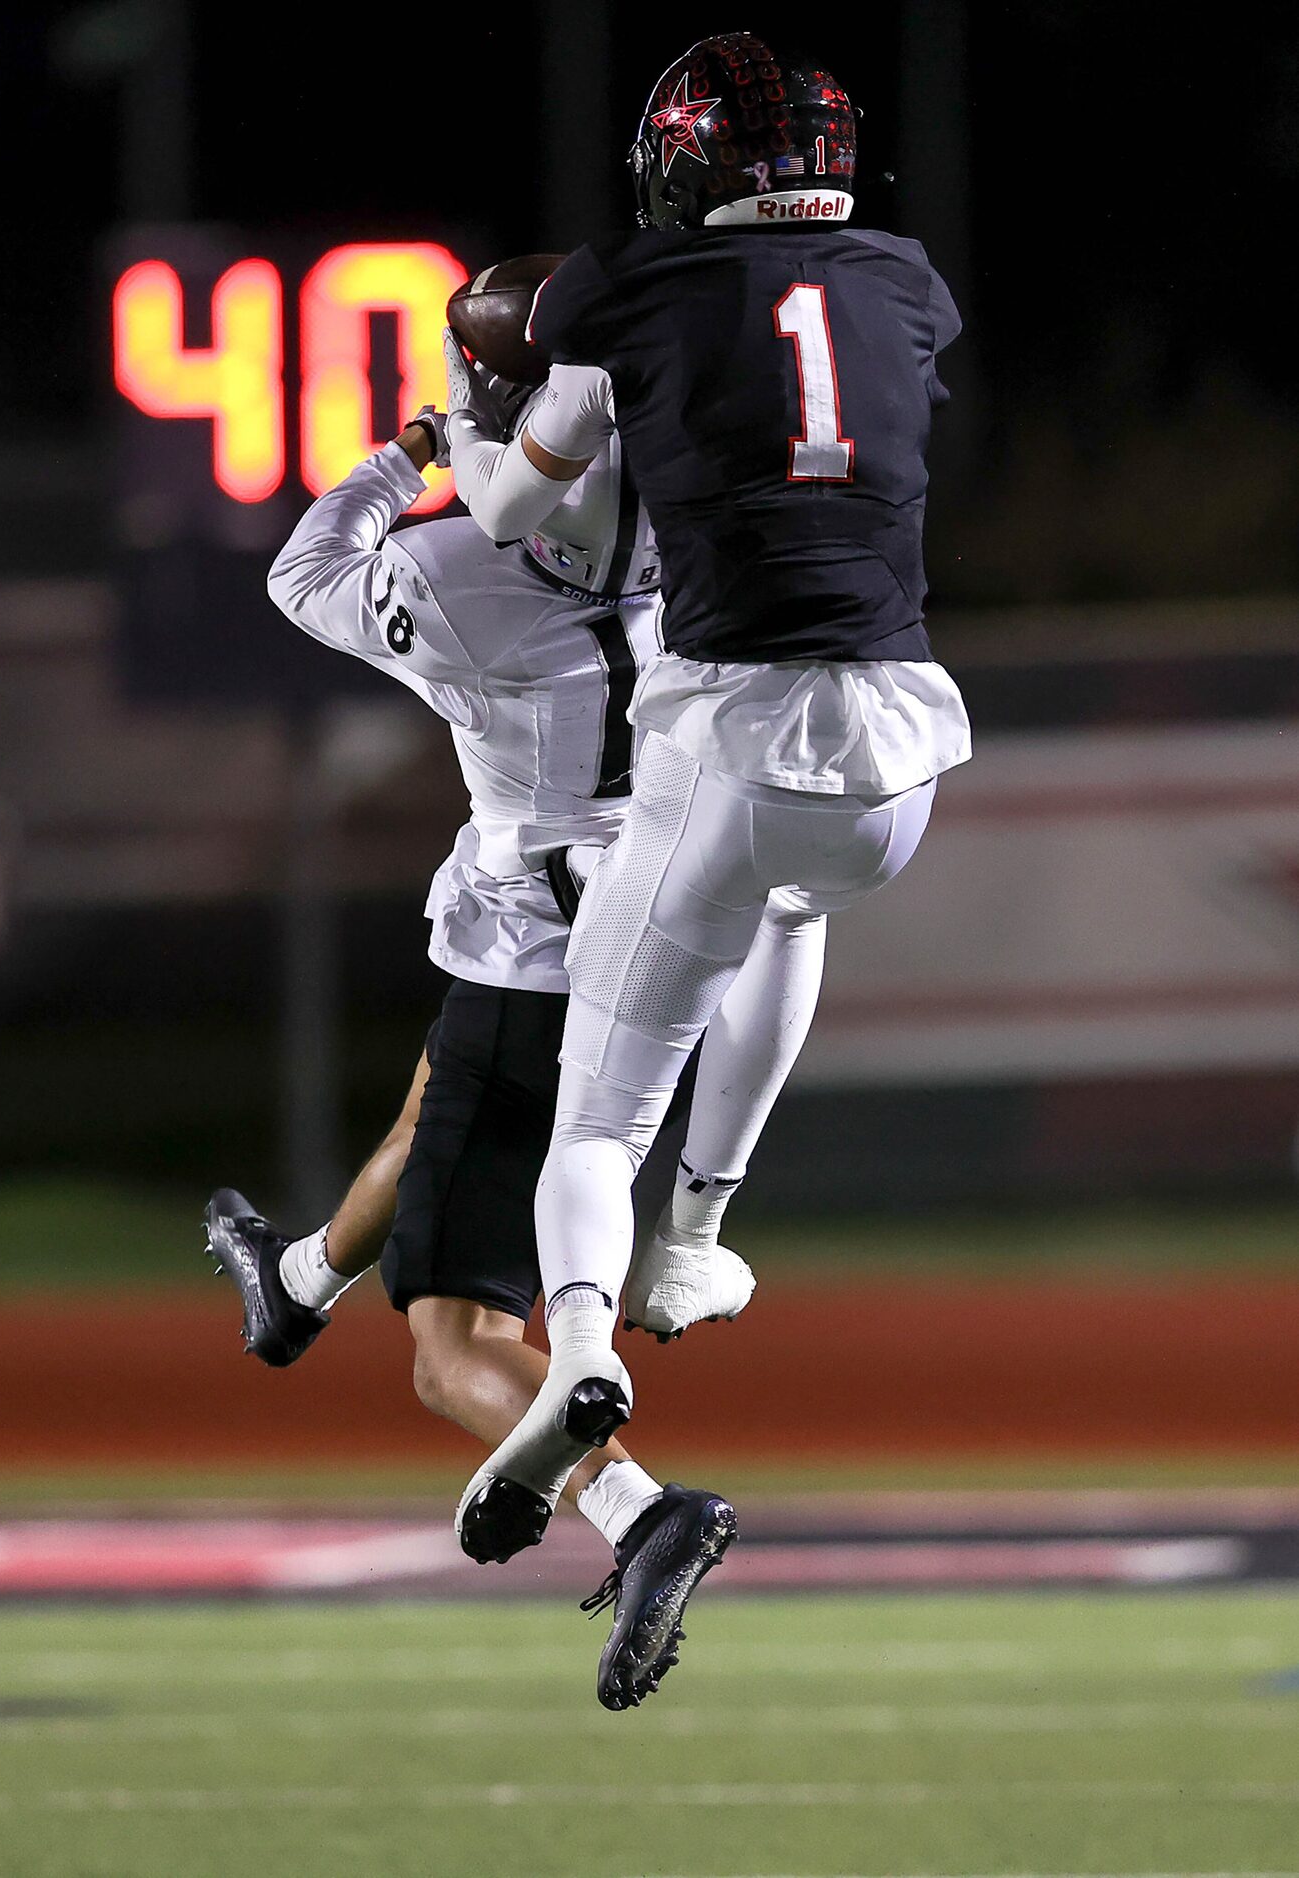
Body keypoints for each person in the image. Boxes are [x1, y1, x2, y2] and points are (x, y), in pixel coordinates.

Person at [204, 337, 826, 1703]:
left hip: (542, 955)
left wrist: (417, 449)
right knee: (445, 1104)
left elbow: (304, 567)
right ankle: (296, 1283)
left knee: (449, 1343)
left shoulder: (457, 569)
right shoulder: (721, 542)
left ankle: (634, 1508)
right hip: (689, 922)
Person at [443, 35, 973, 1582]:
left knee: (595, 1115)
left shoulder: (623, 289)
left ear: (680, 164)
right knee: (794, 905)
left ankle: (584, 1352)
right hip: (900, 755)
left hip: (733, 729)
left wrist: (467, 424)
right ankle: (702, 1228)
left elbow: (512, 507)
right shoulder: (906, 278)